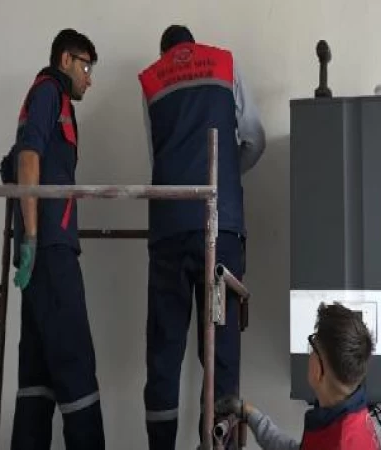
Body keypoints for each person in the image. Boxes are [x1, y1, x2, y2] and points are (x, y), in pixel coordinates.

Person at [136, 24, 266, 449]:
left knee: (165, 351)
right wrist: (224, 176)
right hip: (221, 229)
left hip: (171, 229)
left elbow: (158, 155)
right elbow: (254, 140)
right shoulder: (226, 64)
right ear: (192, 43)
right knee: (221, 351)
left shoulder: (152, 79)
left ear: (164, 50)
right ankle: (219, 445)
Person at [0, 28, 105, 449]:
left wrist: (29, 241)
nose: (89, 78)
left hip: (44, 250)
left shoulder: (53, 99)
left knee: (38, 375)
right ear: (65, 60)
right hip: (50, 249)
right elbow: (27, 158)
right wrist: (32, 238)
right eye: (86, 66)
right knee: (76, 362)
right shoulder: (47, 92)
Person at [215, 302, 381, 450]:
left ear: (318, 369)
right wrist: (251, 414)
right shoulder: (352, 417)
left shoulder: (340, 443)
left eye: (313, 348)